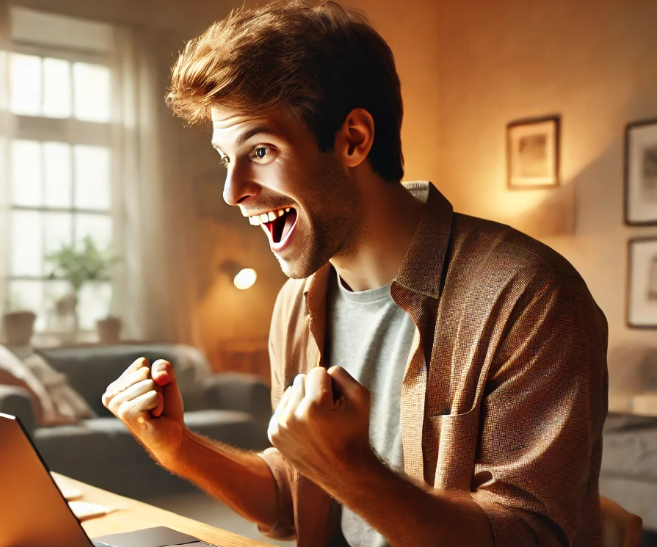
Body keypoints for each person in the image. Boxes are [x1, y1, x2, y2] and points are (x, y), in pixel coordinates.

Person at [102, 1, 609, 546]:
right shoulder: (296, 304)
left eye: (261, 149)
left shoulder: (527, 296)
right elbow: (299, 496)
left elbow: (531, 538)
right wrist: (178, 447)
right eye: (227, 158)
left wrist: (353, 469)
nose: (233, 191)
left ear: (353, 140)